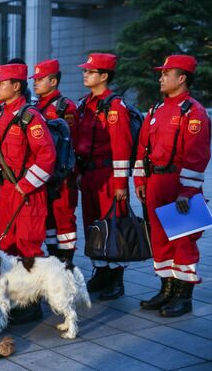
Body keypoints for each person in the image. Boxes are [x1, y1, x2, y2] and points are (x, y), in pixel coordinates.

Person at [134, 55, 210, 317]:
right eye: (161, 74)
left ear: (182, 78)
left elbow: (197, 155)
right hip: (156, 182)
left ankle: (183, 295)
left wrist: (188, 192)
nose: (161, 78)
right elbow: (143, 148)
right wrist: (141, 180)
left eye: (166, 74)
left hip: (180, 185)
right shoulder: (155, 111)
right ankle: (166, 289)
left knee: (183, 240)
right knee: (160, 239)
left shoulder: (193, 111)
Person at [0, 63, 56, 322]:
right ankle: (17, 298)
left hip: (27, 192)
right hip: (9, 190)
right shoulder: (5, 113)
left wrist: (26, 185)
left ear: (16, 86)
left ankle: (32, 304)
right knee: (9, 246)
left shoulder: (30, 116)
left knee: (28, 246)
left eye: (1, 83)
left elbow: (47, 156)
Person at [76, 53, 133, 300]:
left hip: (108, 176)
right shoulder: (84, 104)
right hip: (89, 175)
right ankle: (100, 272)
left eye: (90, 71)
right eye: (85, 71)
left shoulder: (114, 107)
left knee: (113, 228)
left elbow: (121, 146)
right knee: (93, 226)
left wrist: (121, 184)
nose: (85, 74)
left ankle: (116, 278)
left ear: (104, 76)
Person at [31, 59, 79, 264]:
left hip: (62, 177)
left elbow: (72, 142)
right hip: (44, 175)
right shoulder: (35, 107)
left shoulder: (65, 107)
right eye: (35, 79)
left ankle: (66, 263)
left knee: (64, 220)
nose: (35, 83)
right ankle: (53, 262)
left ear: (53, 81)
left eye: (40, 79)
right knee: (48, 220)